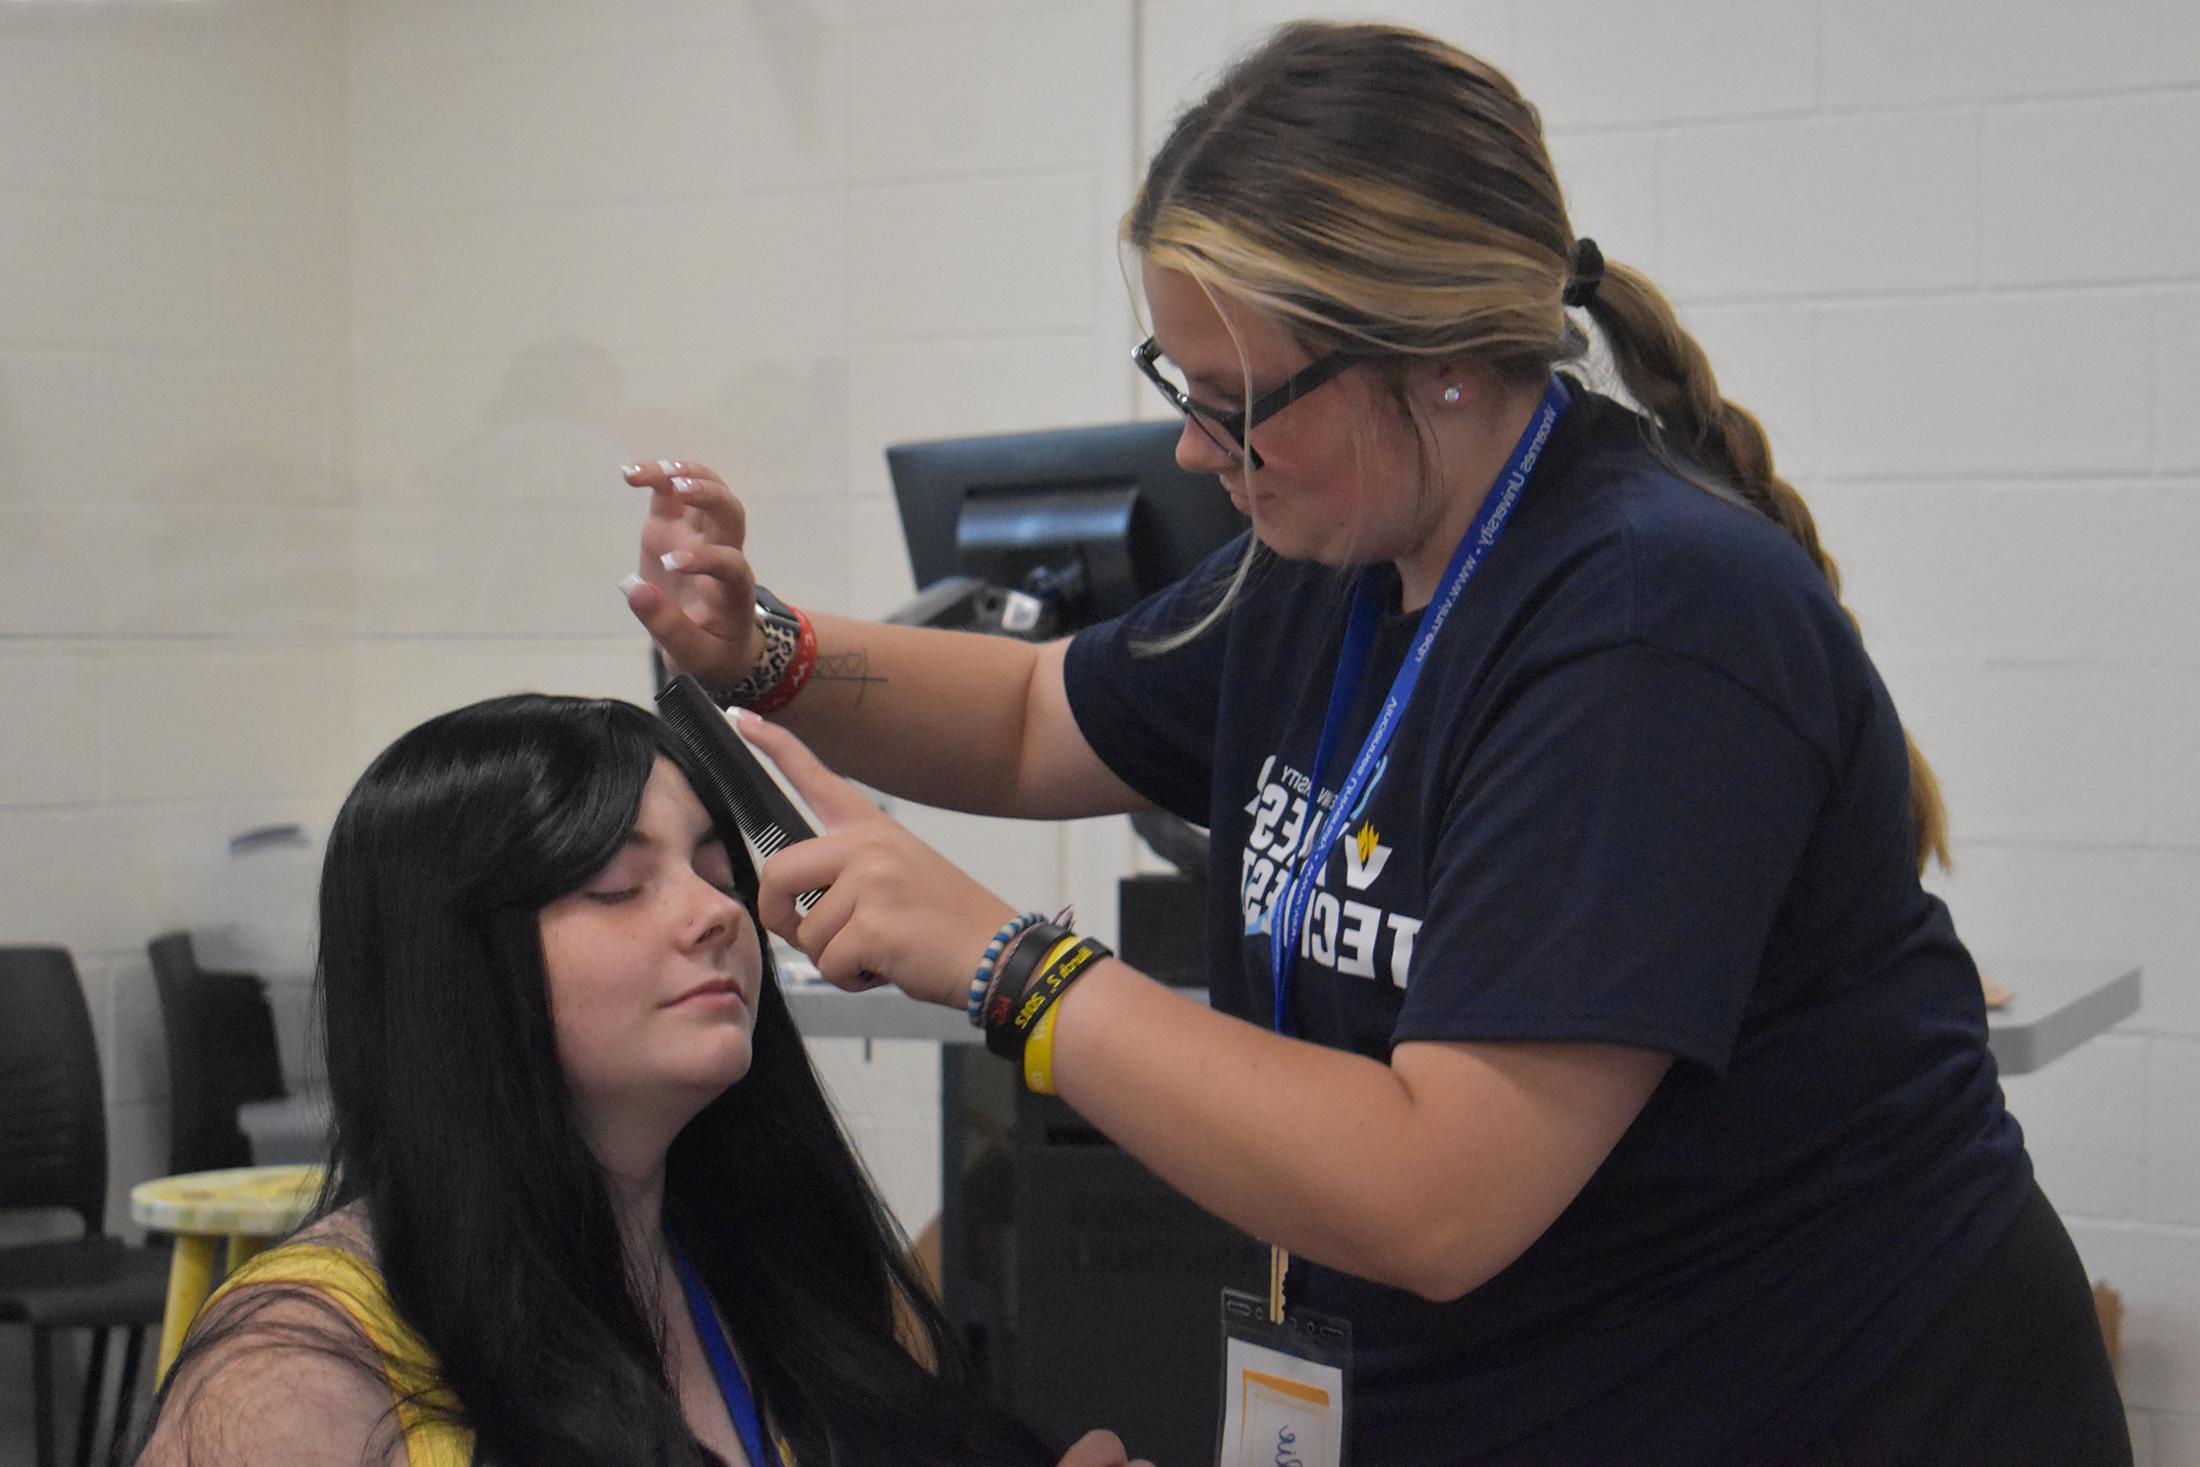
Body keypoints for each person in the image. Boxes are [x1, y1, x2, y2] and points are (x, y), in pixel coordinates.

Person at [618, 19, 2132, 1466]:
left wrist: (1007, 961)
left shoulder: (1644, 624)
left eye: (1239, 401)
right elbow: (1032, 713)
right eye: (1179, 390)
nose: (1197, 453)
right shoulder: (1327, 557)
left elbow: (1437, 1188)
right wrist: (763, 646)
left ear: (1444, 362)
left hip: (1824, 1400)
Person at [134, 694, 1148, 1467]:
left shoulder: (776, 1277)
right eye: (617, 885)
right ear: (456, 967)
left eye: (716, 871)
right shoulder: (295, 1371)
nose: (714, 914)